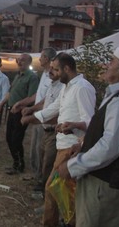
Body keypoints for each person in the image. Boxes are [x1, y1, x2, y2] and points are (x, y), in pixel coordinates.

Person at [56, 44, 119, 227]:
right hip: (110, 181)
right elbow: (110, 133)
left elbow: (109, 147)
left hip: (108, 184)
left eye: (111, 61)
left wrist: (73, 166)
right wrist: (84, 143)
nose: (106, 65)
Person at [21, 53, 96, 227]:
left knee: (53, 188)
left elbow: (91, 122)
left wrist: (72, 125)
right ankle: (67, 221)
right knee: (60, 189)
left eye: (56, 69)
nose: (52, 72)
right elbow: (54, 108)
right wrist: (32, 116)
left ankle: (59, 222)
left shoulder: (82, 87)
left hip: (72, 147)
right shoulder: (67, 86)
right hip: (62, 144)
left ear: (67, 69)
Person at [21, 58, 64, 211]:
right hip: (45, 131)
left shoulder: (64, 88)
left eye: (54, 69)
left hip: (54, 132)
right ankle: (43, 194)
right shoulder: (52, 84)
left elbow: (57, 114)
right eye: (50, 68)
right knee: (42, 161)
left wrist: (32, 118)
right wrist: (32, 109)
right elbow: (45, 103)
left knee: (49, 166)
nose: (50, 72)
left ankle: (49, 204)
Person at [17, 48, 57, 188]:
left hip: (45, 118)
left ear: (47, 59)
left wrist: (32, 110)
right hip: (38, 115)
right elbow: (38, 96)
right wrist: (25, 104)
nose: (39, 59)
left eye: (41, 57)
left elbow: (48, 101)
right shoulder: (44, 75)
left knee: (42, 152)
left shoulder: (53, 77)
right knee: (34, 148)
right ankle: (36, 175)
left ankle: (41, 180)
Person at [0, 54, 39, 174]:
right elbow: (10, 93)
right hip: (11, 110)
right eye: (18, 60)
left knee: (16, 139)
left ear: (29, 62)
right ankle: (16, 162)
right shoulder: (18, 76)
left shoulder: (32, 77)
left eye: (22, 61)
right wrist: (1, 105)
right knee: (9, 138)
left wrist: (20, 105)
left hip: (21, 112)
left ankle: (19, 165)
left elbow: (32, 97)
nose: (19, 62)